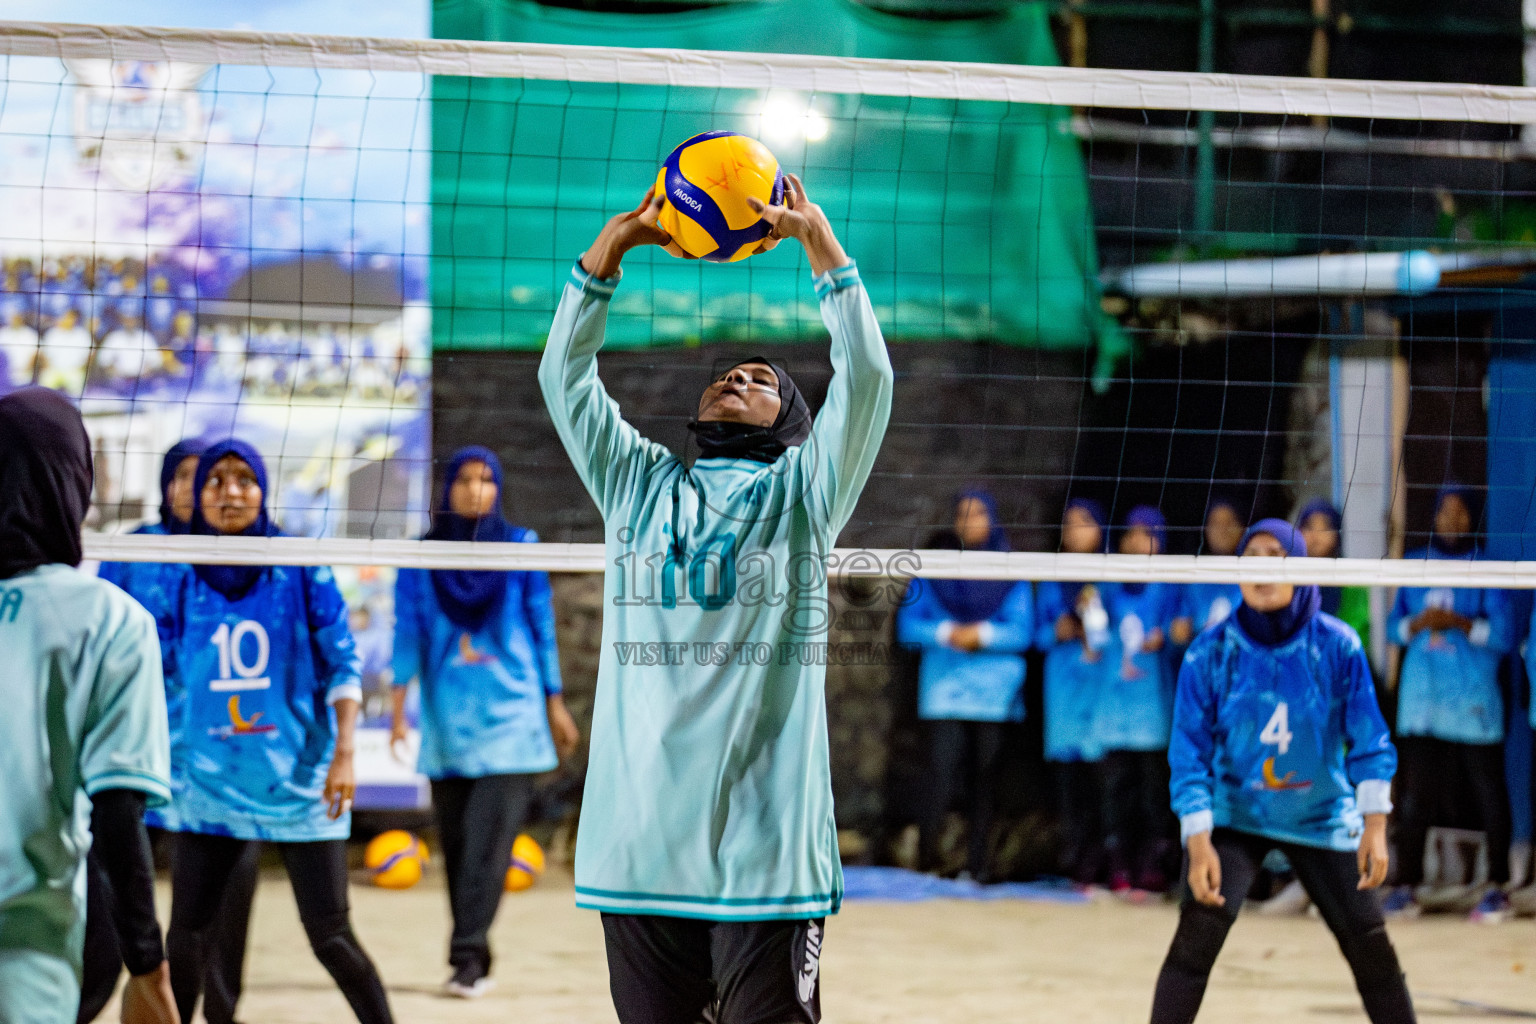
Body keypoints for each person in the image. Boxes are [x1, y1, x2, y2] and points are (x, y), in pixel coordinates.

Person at [539, 177, 892, 1024]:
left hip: (763, 854)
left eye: (761, 378)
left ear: (793, 423)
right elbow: (564, 376)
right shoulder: (638, 485)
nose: (736, 374)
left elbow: (870, 375)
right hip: (638, 853)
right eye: (728, 372)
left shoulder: (806, 491)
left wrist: (822, 250)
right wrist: (608, 255)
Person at [151, 439, 394, 1024]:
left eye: (244, 480)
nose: (230, 493)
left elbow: (342, 661)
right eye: (216, 482)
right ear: (198, 495)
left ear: (263, 491)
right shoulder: (178, 569)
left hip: (300, 778)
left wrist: (344, 754)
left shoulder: (299, 564)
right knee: (185, 939)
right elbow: (160, 669)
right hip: (211, 782)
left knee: (330, 934)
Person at [1151, 519, 1414, 1024]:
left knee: (1373, 955)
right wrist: (1198, 837)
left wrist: (1375, 823)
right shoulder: (1210, 652)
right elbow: (1189, 751)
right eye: (1253, 555)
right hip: (1236, 814)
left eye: (1277, 554)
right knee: (1193, 944)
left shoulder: (1337, 646)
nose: (1263, 566)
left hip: (1322, 816)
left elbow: (1370, 740)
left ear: (1302, 568)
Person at [0, 387, 179, 1024]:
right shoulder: (112, 620)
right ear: (72, 482)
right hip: (31, 938)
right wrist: (148, 965)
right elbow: (117, 809)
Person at [390, 444, 581, 998]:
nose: (477, 490)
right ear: (446, 488)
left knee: (487, 845)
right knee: (456, 847)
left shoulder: (521, 548)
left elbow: (541, 624)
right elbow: (409, 632)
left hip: (514, 720)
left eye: (487, 480)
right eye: (465, 480)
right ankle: (470, 954)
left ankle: (467, 958)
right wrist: (400, 707)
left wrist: (553, 701)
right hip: (450, 722)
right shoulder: (423, 555)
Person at [84, 441, 262, 1024]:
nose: (192, 486)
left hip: (212, 749)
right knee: (121, 877)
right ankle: (109, 991)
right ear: (165, 484)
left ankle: (219, 1009)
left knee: (221, 894)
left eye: (202, 476)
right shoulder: (130, 548)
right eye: (182, 475)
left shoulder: (236, 555)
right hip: (135, 740)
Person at [1382, 486, 1518, 923]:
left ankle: (1498, 888)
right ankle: (1406, 887)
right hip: (1422, 705)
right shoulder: (1415, 564)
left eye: (1460, 512)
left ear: (1473, 519)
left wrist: (1458, 623)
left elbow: (1503, 637)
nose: (1451, 519)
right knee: (1414, 799)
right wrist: (1420, 623)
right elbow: (1392, 629)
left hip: (1473, 705)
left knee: (1488, 795)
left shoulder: (1489, 570)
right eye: (1444, 511)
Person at [896, 488, 1033, 882]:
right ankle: (928, 862)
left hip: (996, 697)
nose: (968, 521)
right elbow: (908, 627)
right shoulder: (935, 567)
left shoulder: (1011, 573)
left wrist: (984, 635)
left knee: (986, 783)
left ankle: (979, 865)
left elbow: (1023, 632)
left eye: (977, 514)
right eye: (962, 514)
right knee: (938, 777)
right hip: (945, 693)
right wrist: (946, 631)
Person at [1096, 505, 1180, 893]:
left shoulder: (1172, 585)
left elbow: (1182, 634)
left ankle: (1152, 868)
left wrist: (1172, 636)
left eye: (1147, 534)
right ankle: (1118, 869)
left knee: (1152, 795)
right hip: (1114, 713)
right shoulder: (1103, 585)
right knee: (1115, 795)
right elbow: (1095, 642)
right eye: (1131, 533)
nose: (1136, 541)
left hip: (1153, 714)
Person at [1034, 497, 1110, 884]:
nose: (1073, 530)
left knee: (1103, 784)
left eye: (1083, 522)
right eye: (1068, 523)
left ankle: (1102, 864)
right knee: (1067, 787)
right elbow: (1037, 632)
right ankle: (1072, 863)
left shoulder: (1113, 576)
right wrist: (1057, 631)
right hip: (1063, 693)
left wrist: (1093, 630)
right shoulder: (1052, 577)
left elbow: (1120, 633)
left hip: (1101, 695)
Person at [1295, 497, 1372, 650]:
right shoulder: (1288, 576)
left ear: (1337, 533)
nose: (1316, 536)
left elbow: (1356, 632)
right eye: (1309, 527)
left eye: (1325, 528)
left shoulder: (1352, 580)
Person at [1171, 497, 1245, 648]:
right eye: (1215, 523)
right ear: (1205, 529)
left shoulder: (1253, 576)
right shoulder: (1194, 579)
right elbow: (1178, 634)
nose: (1222, 530)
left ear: (1242, 528)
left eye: (1229, 522)